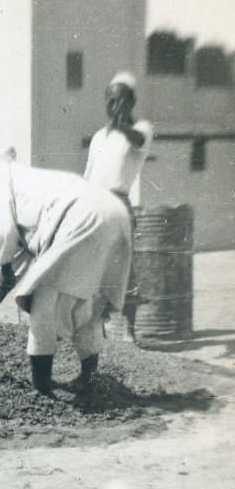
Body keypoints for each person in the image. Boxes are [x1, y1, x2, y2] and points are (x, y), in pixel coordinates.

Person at [0, 156, 132, 396]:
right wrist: (6, 273)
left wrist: (5, 267)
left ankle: (41, 387)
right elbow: (20, 254)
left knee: (44, 302)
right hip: (114, 211)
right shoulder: (32, 182)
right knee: (87, 301)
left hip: (80, 214)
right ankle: (88, 378)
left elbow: (3, 231)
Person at [84, 71, 154, 341]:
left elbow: (137, 141)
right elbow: (89, 176)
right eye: (111, 100)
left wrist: (121, 123)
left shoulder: (142, 130)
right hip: (95, 204)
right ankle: (97, 328)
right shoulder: (99, 137)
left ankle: (130, 332)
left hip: (119, 204)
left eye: (122, 100)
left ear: (132, 102)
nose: (115, 106)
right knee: (93, 266)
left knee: (124, 266)